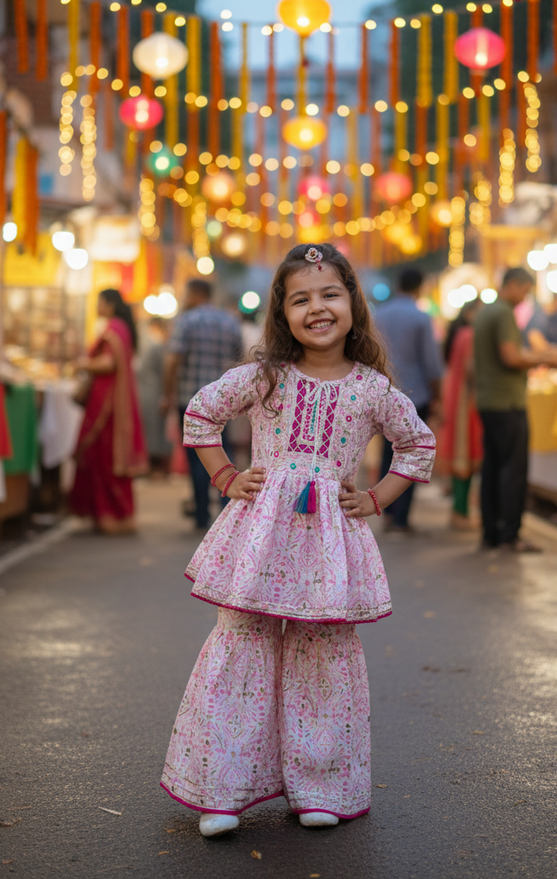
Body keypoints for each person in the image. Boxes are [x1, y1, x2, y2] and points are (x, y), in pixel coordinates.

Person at [161, 244, 436, 837]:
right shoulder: (266, 377)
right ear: (282, 314)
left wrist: (378, 498)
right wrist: (225, 476)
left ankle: (322, 787)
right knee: (241, 649)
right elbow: (201, 413)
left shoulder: (372, 389)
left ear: (353, 304)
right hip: (259, 540)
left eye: (330, 294)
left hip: (328, 548)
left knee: (323, 657)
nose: (317, 308)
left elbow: (417, 443)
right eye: (300, 299)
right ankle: (222, 788)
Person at [473, 267, 557, 553]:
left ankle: (491, 531)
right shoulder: (503, 313)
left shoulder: (485, 312)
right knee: (512, 469)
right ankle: (509, 535)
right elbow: (511, 357)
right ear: (513, 285)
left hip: (489, 400)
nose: (526, 297)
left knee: (492, 466)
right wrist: (546, 358)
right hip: (507, 402)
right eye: (525, 290)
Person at [163, 279, 243, 530]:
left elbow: (173, 360)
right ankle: (225, 510)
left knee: (197, 456)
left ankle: (200, 514)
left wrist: (168, 393)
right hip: (224, 402)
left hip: (190, 399)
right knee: (223, 451)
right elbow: (240, 362)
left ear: (196, 293)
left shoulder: (186, 321)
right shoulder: (230, 322)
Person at [70, 289, 147, 533]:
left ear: (110, 304)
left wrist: (83, 364)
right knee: (104, 459)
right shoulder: (122, 327)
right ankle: (115, 516)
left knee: (103, 458)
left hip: (108, 404)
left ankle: (109, 517)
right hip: (113, 401)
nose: (97, 306)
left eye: (100, 302)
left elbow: (108, 363)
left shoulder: (113, 328)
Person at [374, 267, 442, 531]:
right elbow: (432, 364)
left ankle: (385, 511)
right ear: (419, 287)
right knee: (410, 453)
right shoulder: (421, 318)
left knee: (385, 453)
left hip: (383, 392)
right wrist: (438, 397)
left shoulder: (380, 315)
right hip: (415, 395)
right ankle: (401, 518)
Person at [439, 299, 482, 529]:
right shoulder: (469, 335)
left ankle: (460, 510)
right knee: (465, 454)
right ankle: (461, 512)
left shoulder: (459, 334)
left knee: (462, 454)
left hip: (457, 397)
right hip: (467, 401)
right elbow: (472, 368)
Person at [136, 317, 172, 477]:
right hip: (153, 391)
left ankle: (151, 466)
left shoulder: (151, 343)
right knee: (154, 429)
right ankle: (153, 467)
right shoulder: (157, 344)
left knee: (151, 429)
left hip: (148, 390)